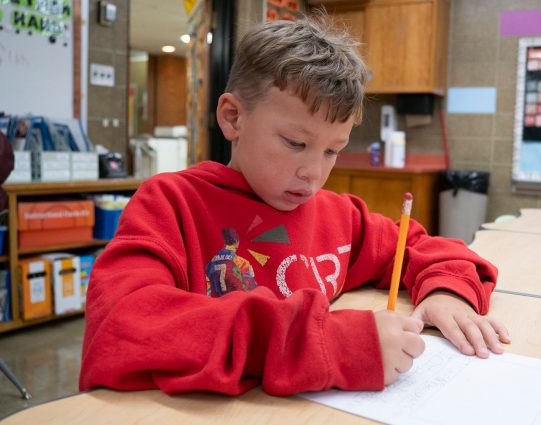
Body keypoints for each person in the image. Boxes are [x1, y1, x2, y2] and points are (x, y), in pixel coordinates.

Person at [79, 15, 509, 397]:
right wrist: (328, 343)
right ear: (232, 118)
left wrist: (447, 292)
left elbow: (424, 247)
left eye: (332, 151)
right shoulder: (171, 204)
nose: (313, 173)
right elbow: (123, 325)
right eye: (296, 144)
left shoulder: (340, 216)